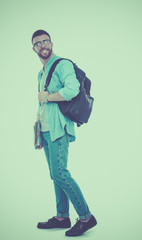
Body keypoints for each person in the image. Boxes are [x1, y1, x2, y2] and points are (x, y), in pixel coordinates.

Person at [32, 29, 97, 237]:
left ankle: (86, 217)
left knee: (60, 173)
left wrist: (48, 96)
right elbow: (41, 106)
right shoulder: (41, 73)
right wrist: (38, 133)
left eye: (46, 41)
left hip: (59, 129)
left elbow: (73, 89)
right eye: (38, 43)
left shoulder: (62, 64)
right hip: (46, 130)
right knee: (55, 175)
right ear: (33, 48)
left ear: (51, 43)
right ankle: (62, 216)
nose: (43, 45)